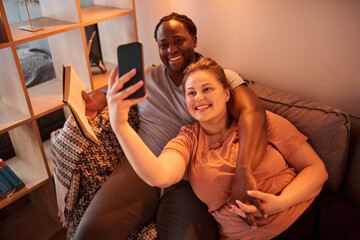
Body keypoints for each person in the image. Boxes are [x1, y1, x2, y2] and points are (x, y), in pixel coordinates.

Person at [74, 13, 267, 239]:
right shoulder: (145, 76)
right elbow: (109, 92)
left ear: (194, 40)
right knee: (88, 234)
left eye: (178, 40)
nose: (171, 50)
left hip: (189, 179)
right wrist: (95, 101)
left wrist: (244, 171)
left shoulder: (217, 79)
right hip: (139, 165)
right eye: (163, 44)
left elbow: (253, 112)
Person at [104, 57, 332, 239]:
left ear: (226, 93)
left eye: (207, 89)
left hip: (310, 214)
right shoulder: (188, 140)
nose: (198, 97)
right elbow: (159, 176)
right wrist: (120, 125)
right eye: (191, 93)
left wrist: (282, 202)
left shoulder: (261, 122)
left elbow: (317, 169)